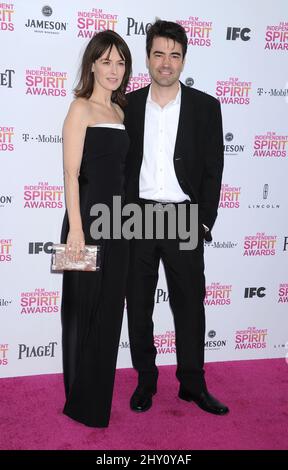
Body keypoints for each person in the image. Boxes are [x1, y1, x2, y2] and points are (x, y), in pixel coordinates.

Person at [124, 20, 229, 415]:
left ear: (184, 58)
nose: (166, 63)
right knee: (138, 304)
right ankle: (146, 381)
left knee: (189, 304)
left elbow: (213, 170)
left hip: (184, 216)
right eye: (158, 54)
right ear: (147, 58)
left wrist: (204, 222)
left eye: (174, 55)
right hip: (138, 217)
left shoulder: (206, 107)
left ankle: (192, 383)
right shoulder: (128, 106)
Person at [60, 30, 132, 427]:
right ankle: (79, 401)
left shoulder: (121, 113)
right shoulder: (80, 109)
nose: (113, 69)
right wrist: (75, 229)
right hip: (85, 222)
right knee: (82, 308)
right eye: (105, 61)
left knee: (109, 311)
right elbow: (71, 172)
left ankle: (96, 398)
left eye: (120, 62)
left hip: (120, 225)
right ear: (92, 64)